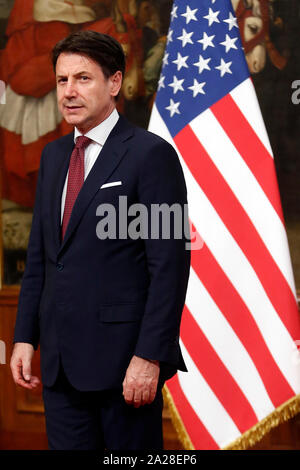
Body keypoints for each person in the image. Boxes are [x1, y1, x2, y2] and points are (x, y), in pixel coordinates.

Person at [10, 30, 190, 450]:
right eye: (61, 80)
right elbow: (41, 258)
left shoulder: (151, 155)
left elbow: (168, 266)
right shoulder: (53, 156)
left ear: (114, 83)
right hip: (58, 367)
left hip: (123, 367)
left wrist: (149, 356)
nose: (69, 91)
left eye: (83, 78)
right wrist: (24, 337)